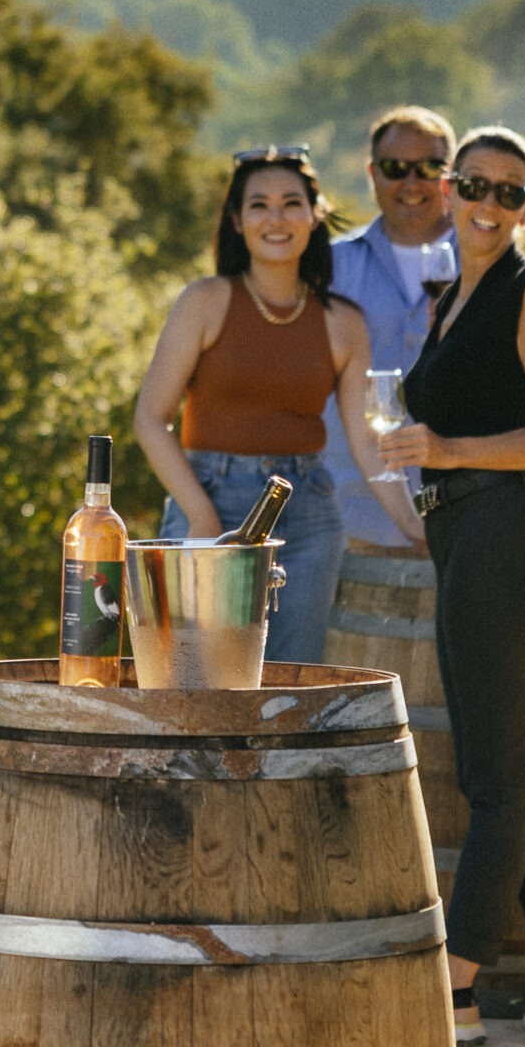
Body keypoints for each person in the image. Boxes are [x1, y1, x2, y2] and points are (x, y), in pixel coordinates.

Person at [379, 127, 525, 1047]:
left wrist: (447, 450)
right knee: (503, 773)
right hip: (468, 534)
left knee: (492, 782)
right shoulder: (451, 296)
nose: (488, 202)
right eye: (474, 183)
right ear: (446, 185)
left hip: (506, 536)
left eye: (510, 193)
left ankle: (457, 986)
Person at [133, 147, 396, 663]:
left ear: (315, 214)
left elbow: (365, 439)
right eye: (259, 205)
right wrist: (200, 515)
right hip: (211, 497)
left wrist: (415, 527)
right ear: (236, 220)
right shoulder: (206, 301)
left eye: (291, 203)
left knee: (288, 685)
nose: (276, 218)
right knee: (192, 681)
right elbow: (150, 419)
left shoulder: (343, 321)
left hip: (310, 515)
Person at [318, 107, 460, 547]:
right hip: (346, 520)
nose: (412, 183)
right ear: (372, 174)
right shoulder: (329, 265)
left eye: (430, 167)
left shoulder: (491, 268)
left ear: (450, 177)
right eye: (395, 168)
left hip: (460, 518)